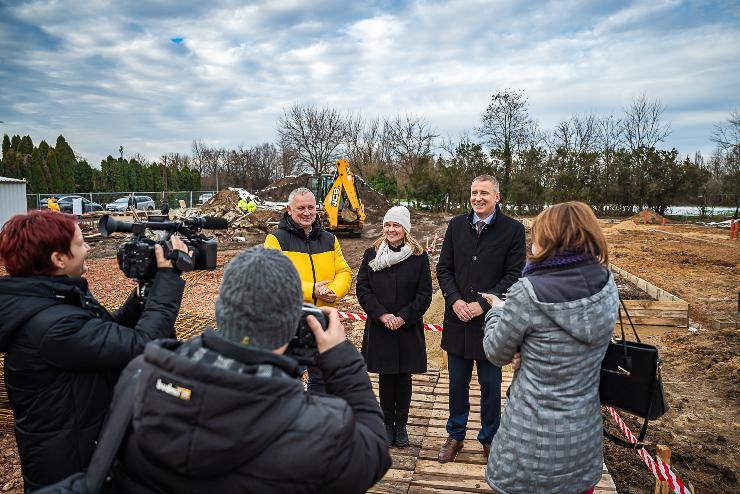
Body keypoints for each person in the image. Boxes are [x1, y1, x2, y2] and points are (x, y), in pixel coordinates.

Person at [110, 246, 392, 493]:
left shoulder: (140, 376)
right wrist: (341, 359)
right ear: (294, 322)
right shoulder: (317, 430)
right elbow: (374, 450)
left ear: (222, 309)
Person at [0, 210, 187, 491]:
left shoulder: (51, 299)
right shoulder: (52, 325)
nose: (88, 248)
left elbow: (106, 332)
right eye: (80, 243)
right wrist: (168, 279)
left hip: (75, 452)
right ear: (58, 259)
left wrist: (141, 296)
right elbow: (140, 345)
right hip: (67, 471)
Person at [481, 201, 618, 494]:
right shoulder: (607, 284)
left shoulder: (528, 293)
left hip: (531, 444)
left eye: (538, 236)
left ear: (550, 240)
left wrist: (498, 311)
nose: (533, 243)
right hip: (582, 437)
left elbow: (496, 352)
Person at [435, 174, 525, 462]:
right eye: (474, 192)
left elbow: (514, 275)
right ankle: (455, 435)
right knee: (457, 383)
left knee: (490, 385)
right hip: (458, 320)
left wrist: (482, 305)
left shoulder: (512, 230)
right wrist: (455, 300)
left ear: (497, 197)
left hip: (491, 324)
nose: (478, 198)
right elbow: (444, 268)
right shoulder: (456, 226)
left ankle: (489, 437)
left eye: (484, 193)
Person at [357, 206, 432, 448]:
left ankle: (401, 426)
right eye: (388, 225)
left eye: (396, 225)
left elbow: (424, 294)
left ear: (405, 229)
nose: (391, 229)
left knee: (403, 378)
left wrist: (402, 317)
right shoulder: (372, 254)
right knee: (386, 377)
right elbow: (363, 289)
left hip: (407, 326)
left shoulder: (419, 257)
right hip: (381, 326)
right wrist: (382, 315)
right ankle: (386, 425)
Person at [264, 187, 352, 391]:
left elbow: (345, 272)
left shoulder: (330, 239)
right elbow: (274, 277)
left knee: (321, 380)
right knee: (288, 382)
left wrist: (333, 292)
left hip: (323, 319)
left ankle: (315, 420)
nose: (306, 212)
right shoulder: (275, 240)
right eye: (300, 208)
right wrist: (311, 290)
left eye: (311, 207)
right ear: (289, 209)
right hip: (290, 322)